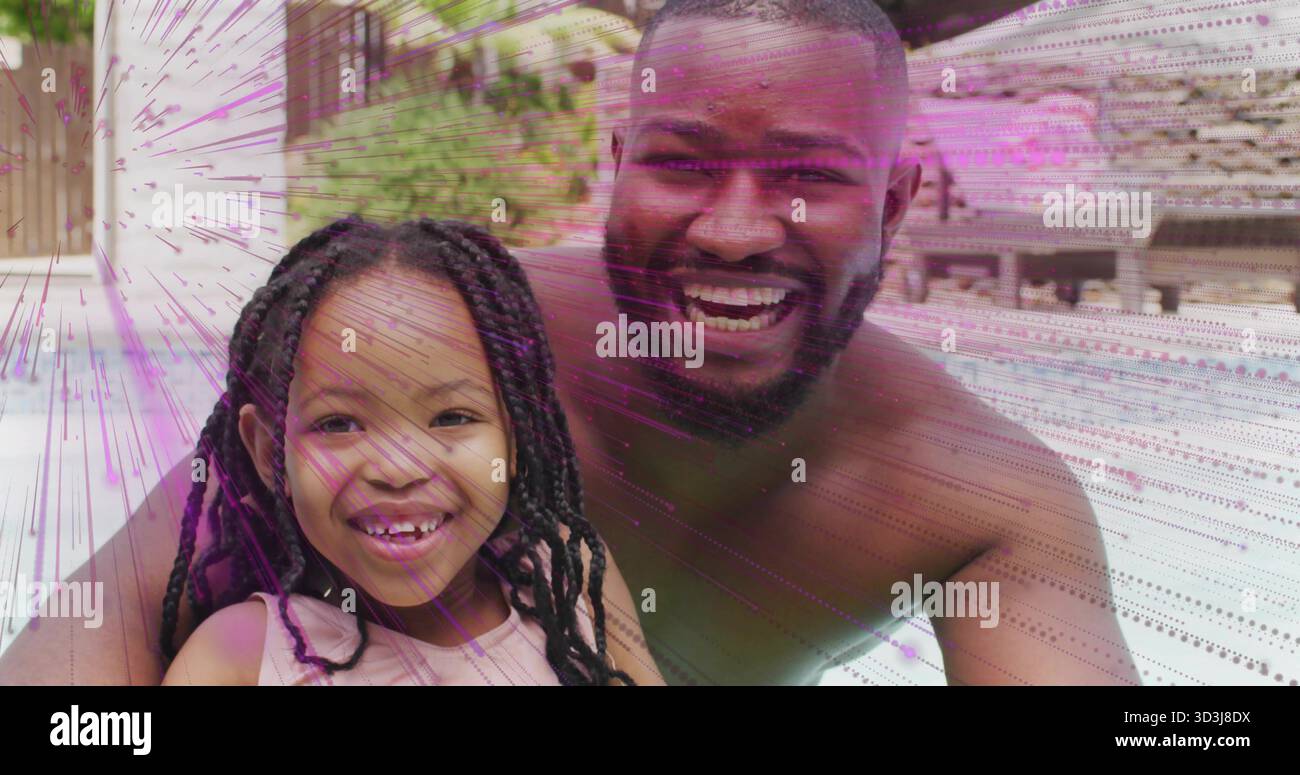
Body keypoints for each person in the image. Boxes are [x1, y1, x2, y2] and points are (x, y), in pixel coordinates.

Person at [0, 0, 1138, 685]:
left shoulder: (979, 503)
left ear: (897, 203)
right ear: (617, 164)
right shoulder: (427, 347)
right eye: (682, 160)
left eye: (806, 178)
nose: (734, 229)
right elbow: (74, 664)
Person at [163, 216, 660, 685]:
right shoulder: (238, 658)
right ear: (269, 452)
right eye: (338, 424)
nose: (399, 469)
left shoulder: (566, 585)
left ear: (513, 438)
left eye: (452, 417)